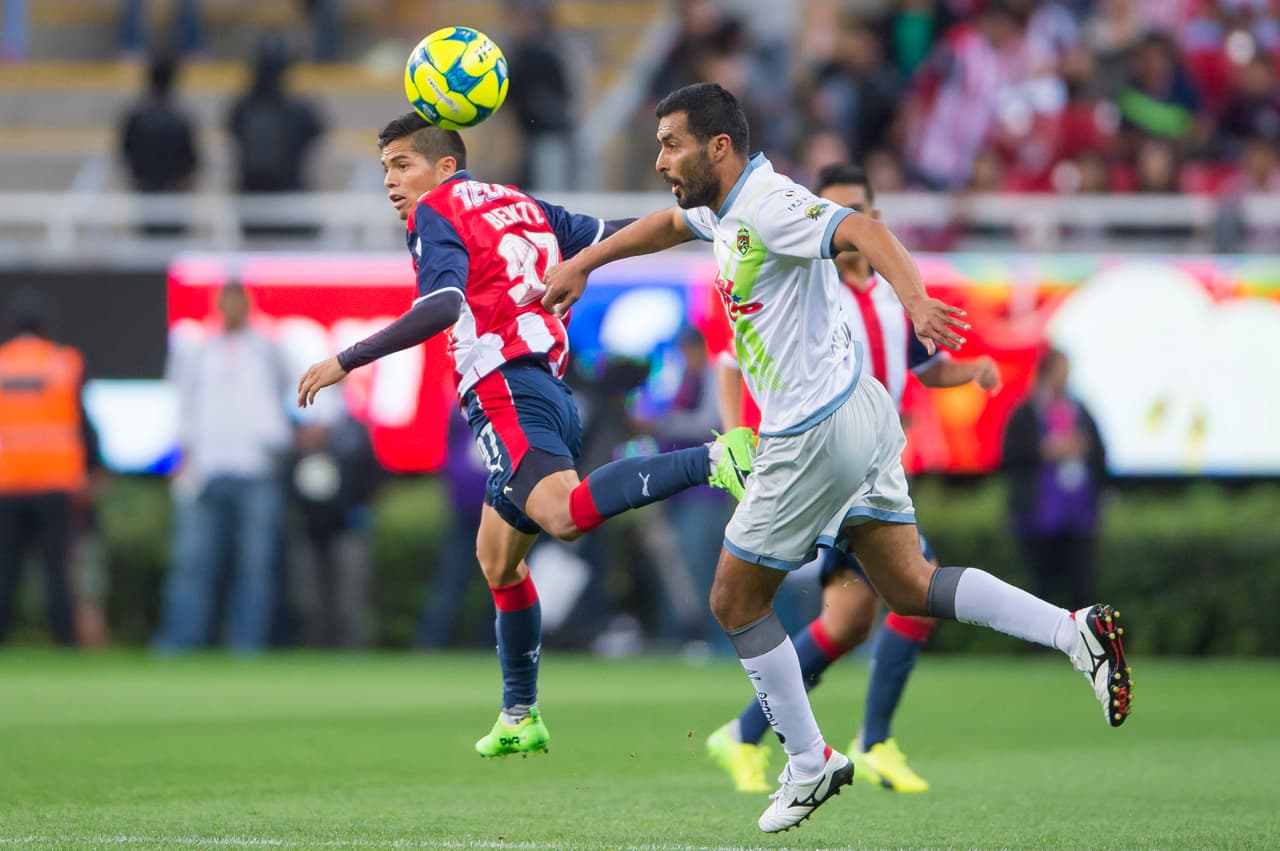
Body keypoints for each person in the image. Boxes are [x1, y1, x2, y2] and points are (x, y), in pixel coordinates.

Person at [542, 82, 1133, 834]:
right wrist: (588, 261)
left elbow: (863, 230)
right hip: (859, 412)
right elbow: (663, 224)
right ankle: (1073, 631)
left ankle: (808, 761)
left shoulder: (769, 204)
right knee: (910, 585)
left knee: (732, 599)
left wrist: (915, 300)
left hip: (811, 428)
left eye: (671, 144)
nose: (660, 159)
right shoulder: (720, 210)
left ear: (719, 147)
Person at [296, 111, 755, 758]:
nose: (391, 181)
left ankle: (713, 458)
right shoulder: (521, 203)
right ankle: (520, 712)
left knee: (565, 518)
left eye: (402, 165)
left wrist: (347, 359)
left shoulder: (437, 210)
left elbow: (443, 305)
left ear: (445, 167)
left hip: (505, 387)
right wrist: (705, 220)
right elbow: (618, 235)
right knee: (497, 558)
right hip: (547, 389)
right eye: (384, 169)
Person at [706, 163, 1002, 796]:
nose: (840, 231)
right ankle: (873, 742)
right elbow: (731, 359)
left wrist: (971, 368)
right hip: (829, 463)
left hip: (872, 461)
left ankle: (744, 734)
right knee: (913, 588)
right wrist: (736, 433)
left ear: (872, 218)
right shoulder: (807, 283)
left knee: (848, 622)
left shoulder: (890, 296)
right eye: (830, 212)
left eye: (853, 214)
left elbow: (924, 368)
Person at [153, 282, 292, 652]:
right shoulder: (197, 351)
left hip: (256, 467)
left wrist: (276, 441)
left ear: (247, 306)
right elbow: (183, 404)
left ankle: (247, 645)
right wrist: (182, 456)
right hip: (206, 467)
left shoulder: (268, 348)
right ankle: (182, 643)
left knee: (256, 566)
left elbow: (287, 396)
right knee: (193, 563)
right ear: (218, 307)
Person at [0, 290, 92, 647]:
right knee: (58, 571)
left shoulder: (2, 363)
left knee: (5, 570)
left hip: (7, 483)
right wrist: (94, 468)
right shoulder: (64, 363)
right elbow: (84, 423)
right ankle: (65, 642)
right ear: (45, 326)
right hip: (55, 482)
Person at [1002, 347, 1107, 611]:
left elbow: (1100, 454)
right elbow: (1008, 456)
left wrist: (1082, 447)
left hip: (1078, 515)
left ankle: (1083, 644)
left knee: (1081, 584)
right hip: (1039, 515)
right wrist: (1043, 451)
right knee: (1040, 588)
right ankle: (1038, 647)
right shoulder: (1026, 413)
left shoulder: (1080, 410)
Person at [120, 52, 199, 235]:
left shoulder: (136, 118)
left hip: (146, 192)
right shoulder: (180, 118)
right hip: (173, 194)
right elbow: (192, 160)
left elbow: (126, 153)